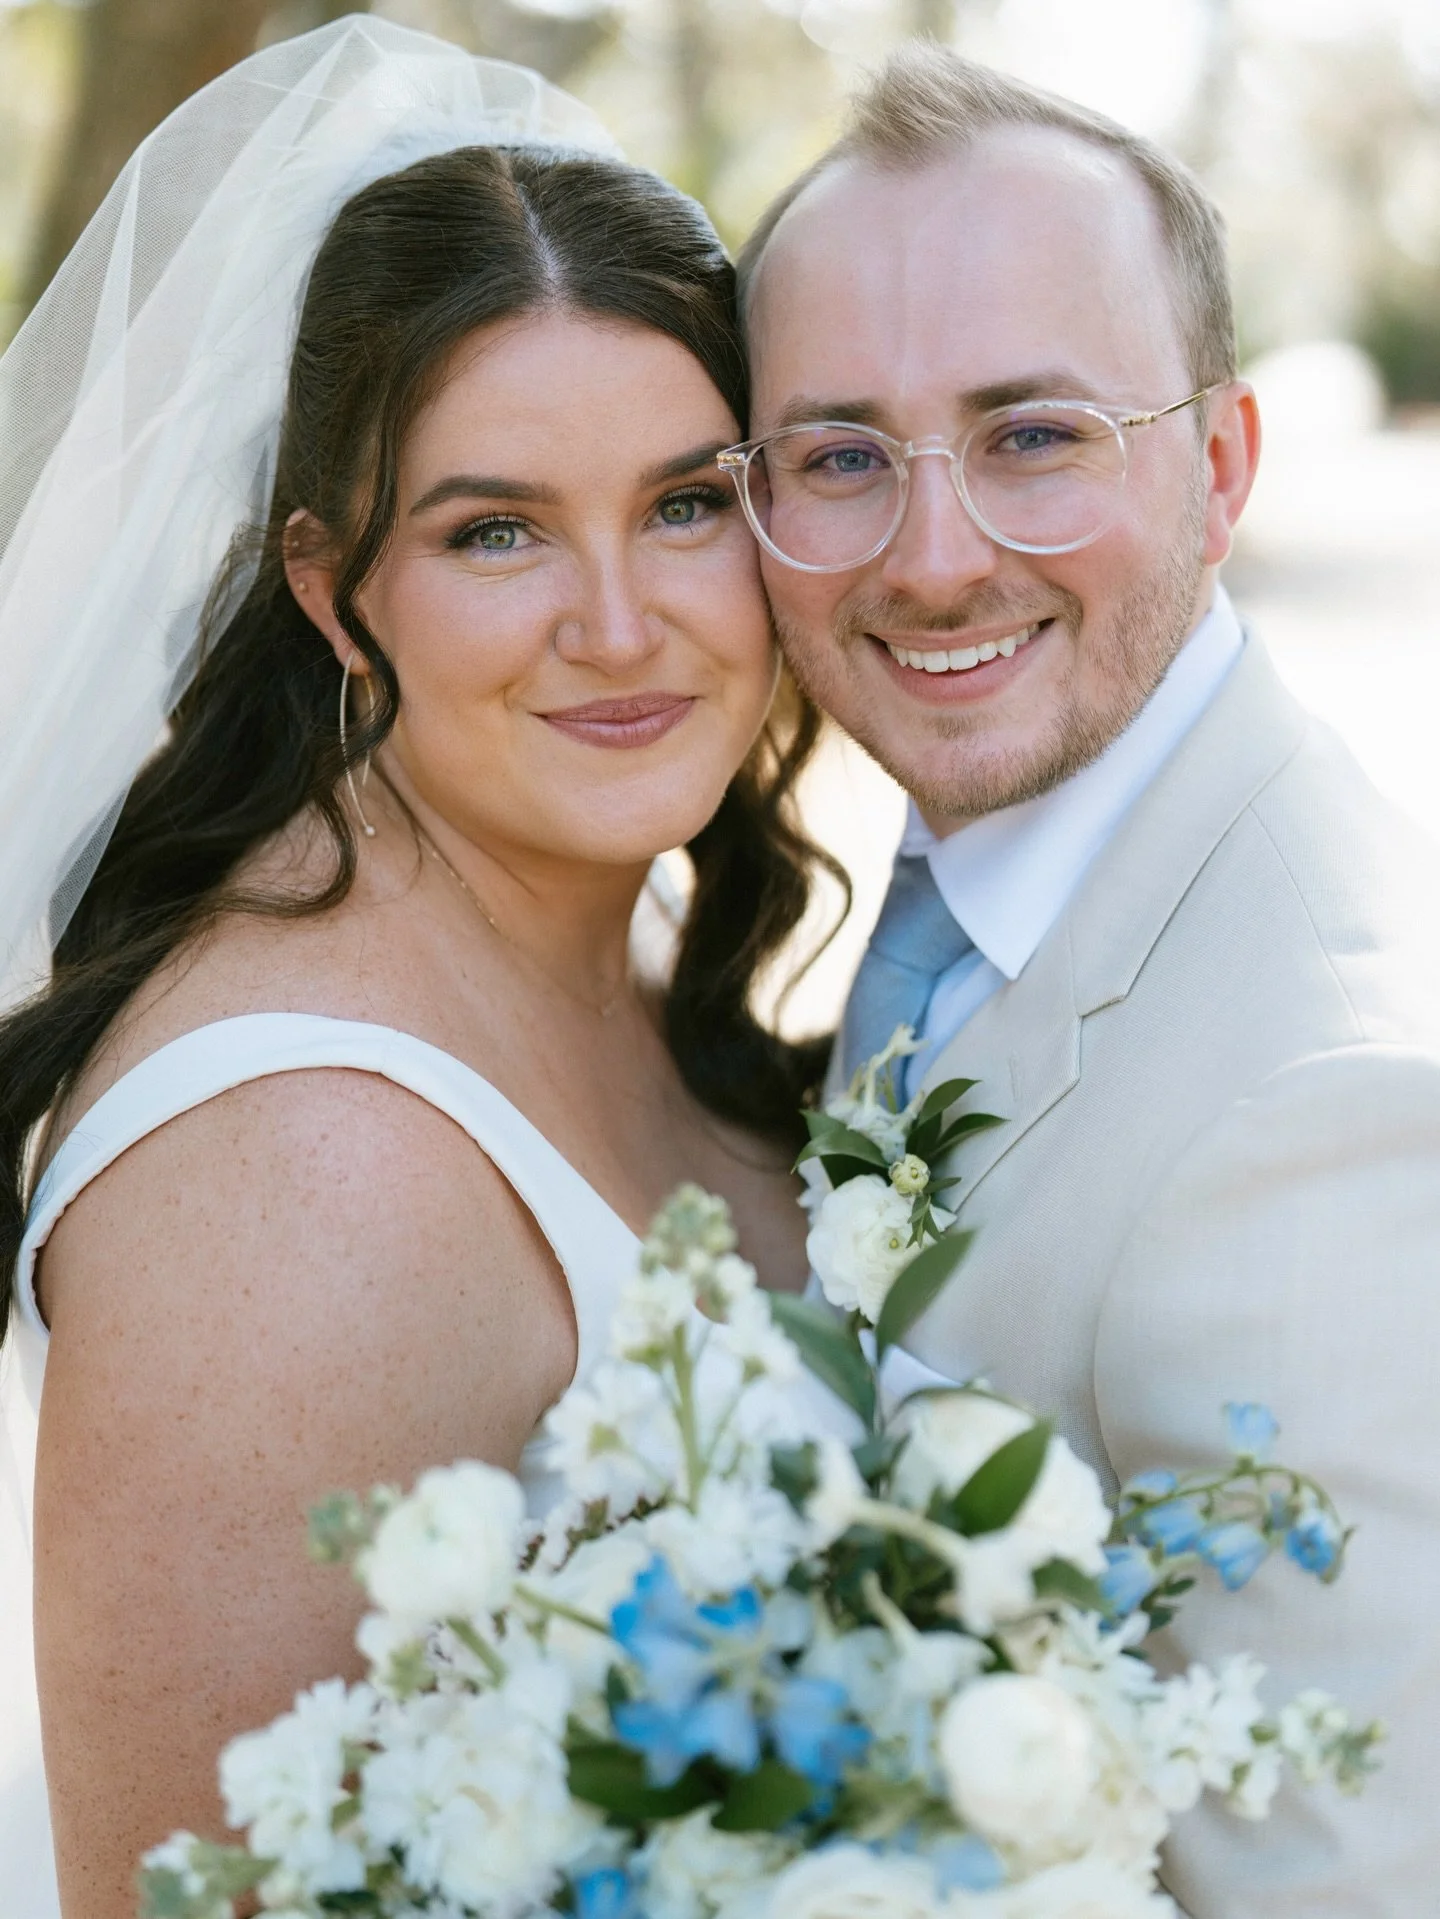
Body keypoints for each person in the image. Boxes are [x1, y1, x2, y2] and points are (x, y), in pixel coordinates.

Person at [0, 21, 841, 1918]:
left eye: (686, 503)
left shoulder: (612, 947)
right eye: (496, 531)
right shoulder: (300, 1161)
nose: (618, 624)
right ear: (328, 586)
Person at [730, 42, 1440, 1918]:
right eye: (840, 458)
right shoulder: (975, 881)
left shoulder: (1330, 1109)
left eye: (1034, 436)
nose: (932, 560)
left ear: (1221, 464)